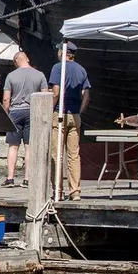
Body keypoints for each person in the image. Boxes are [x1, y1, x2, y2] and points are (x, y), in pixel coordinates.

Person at [49, 41, 90, 201]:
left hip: (60, 114)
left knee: (56, 154)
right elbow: (87, 94)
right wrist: (80, 111)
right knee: (74, 155)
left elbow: (56, 92)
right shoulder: (81, 69)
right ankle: (75, 192)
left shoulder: (58, 68)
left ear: (62, 52)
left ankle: (58, 191)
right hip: (75, 115)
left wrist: (50, 109)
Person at [1, 51, 48, 188]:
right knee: (29, 146)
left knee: (13, 146)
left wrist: (6, 112)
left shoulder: (11, 76)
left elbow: (6, 98)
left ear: (16, 61)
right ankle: (27, 179)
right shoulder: (39, 75)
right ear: (27, 58)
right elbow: (44, 95)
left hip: (15, 112)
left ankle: (10, 179)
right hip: (32, 112)